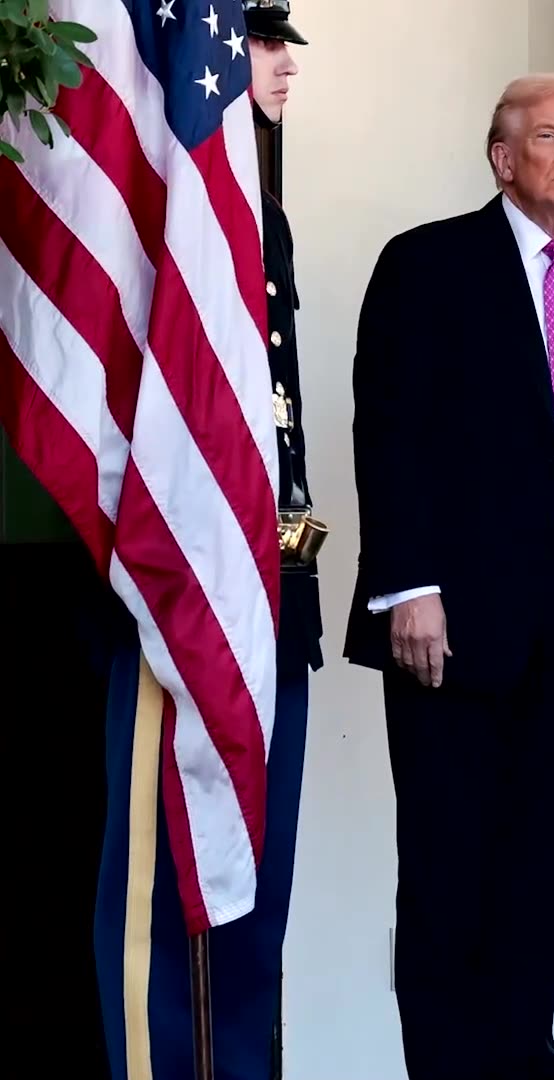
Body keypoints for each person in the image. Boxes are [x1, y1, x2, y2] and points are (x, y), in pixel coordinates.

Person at [342, 71, 554, 1080]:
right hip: (459, 615)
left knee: (552, 869)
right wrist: (409, 583)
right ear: (503, 157)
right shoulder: (429, 264)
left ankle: (517, 1061)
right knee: (451, 873)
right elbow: (391, 428)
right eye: (550, 137)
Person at [91, 5, 321, 1079]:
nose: (274, 68)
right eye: (260, 44)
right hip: (179, 581)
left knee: (255, 886)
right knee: (160, 880)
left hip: (275, 584)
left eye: (277, 50)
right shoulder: (165, 205)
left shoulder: (258, 217)